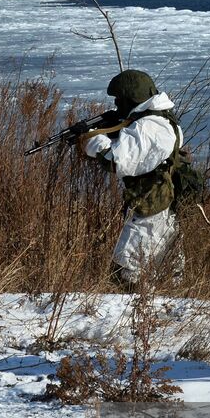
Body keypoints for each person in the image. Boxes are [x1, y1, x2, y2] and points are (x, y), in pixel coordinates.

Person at [79, 69, 184, 288]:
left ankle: (138, 319)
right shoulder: (160, 120)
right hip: (160, 206)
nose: (117, 104)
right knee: (164, 276)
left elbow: (116, 160)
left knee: (127, 273)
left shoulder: (149, 127)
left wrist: (93, 142)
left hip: (149, 210)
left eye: (120, 99)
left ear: (131, 98)